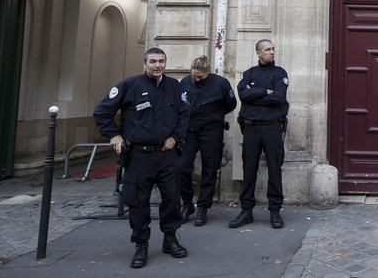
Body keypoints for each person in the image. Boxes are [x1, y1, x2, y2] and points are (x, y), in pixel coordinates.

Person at [93, 47, 190, 269]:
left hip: (167, 155)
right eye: (153, 61)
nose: (158, 65)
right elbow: (102, 112)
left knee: (172, 199)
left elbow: (185, 115)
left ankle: (170, 238)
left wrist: (175, 138)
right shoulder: (129, 85)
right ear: (144, 64)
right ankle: (141, 244)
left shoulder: (175, 87)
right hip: (139, 156)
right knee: (138, 202)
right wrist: (114, 135)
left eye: (162, 61)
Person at [229, 39, 289, 229]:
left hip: (272, 127)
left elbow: (279, 97)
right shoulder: (249, 74)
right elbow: (242, 96)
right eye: (267, 49)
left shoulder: (280, 73)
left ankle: (275, 210)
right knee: (249, 170)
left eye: (273, 49)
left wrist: (254, 96)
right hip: (252, 128)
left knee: (274, 168)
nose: (271, 52)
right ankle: (246, 210)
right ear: (258, 53)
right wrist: (265, 91)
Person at [178, 55, 237, 226]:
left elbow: (230, 104)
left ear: (208, 72)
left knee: (210, 169)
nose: (196, 79)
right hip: (189, 132)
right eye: (194, 75)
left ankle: (203, 206)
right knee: (182, 168)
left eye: (200, 77)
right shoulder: (184, 83)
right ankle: (187, 204)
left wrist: (213, 115)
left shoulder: (220, 83)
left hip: (211, 131)